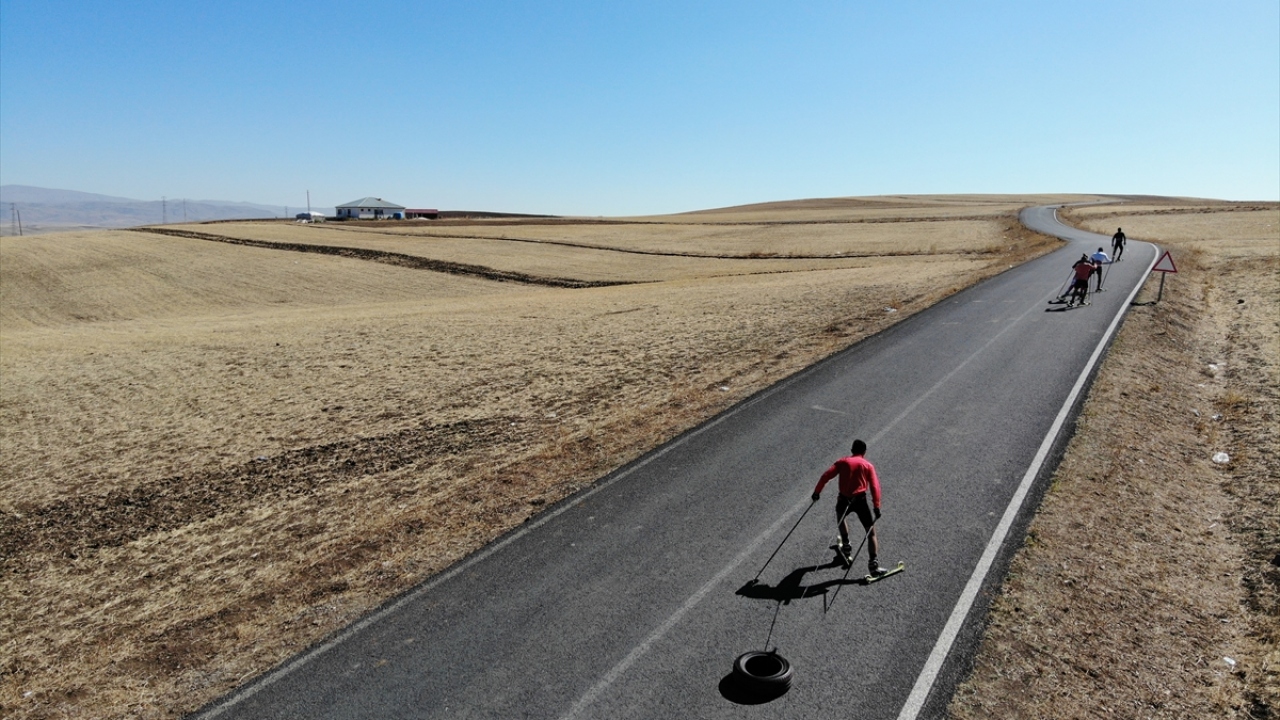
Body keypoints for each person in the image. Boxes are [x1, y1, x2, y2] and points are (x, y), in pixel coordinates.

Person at [812, 439, 886, 576]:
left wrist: (817, 492)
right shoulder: (868, 465)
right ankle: (873, 565)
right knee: (871, 533)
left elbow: (826, 476)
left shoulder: (842, 462)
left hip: (844, 499)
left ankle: (846, 545)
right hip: (860, 501)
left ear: (852, 450)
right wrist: (876, 506)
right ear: (864, 452)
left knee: (841, 517)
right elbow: (875, 486)